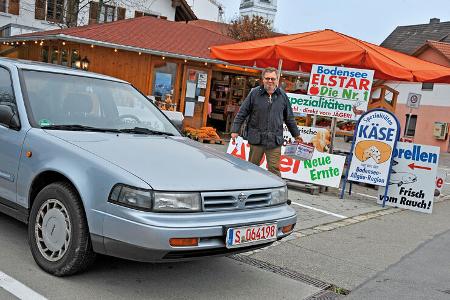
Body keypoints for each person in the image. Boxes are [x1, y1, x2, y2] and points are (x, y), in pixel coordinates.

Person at [231, 67, 303, 177]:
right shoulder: (254, 93)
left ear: (277, 80)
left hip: (274, 140)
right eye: (267, 78)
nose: (270, 81)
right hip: (257, 138)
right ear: (263, 79)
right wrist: (235, 130)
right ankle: (250, 188)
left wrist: (296, 134)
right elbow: (242, 113)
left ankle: (274, 192)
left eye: (273, 79)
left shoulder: (282, 95)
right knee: (252, 167)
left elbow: (289, 117)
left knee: (274, 169)